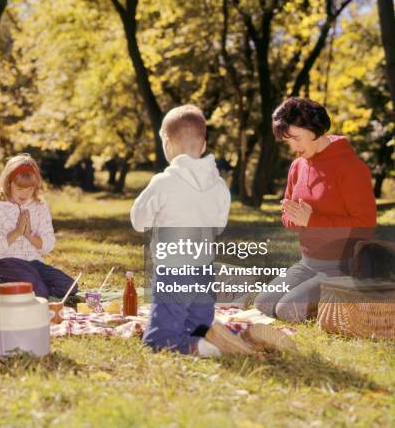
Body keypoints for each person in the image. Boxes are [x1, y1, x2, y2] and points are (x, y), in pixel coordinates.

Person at [131, 105, 294, 356]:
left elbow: (138, 221)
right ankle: (211, 337)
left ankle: (198, 347)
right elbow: (218, 226)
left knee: (158, 338)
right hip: (204, 271)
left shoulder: (163, 182)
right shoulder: (219, 185)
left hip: (173, 271)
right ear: (204, 144)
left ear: (167, 142)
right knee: (197, 324)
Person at [254, 97, 377, 322]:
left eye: (296, 138)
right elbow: (289, 217)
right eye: (287, 141)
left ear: (314, 129)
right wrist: (294, 217)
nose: (293, 147)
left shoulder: (350, 167)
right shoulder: (297, 166)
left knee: (287, 310)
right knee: (262, 305)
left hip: (343, 266)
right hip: (308, 262)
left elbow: (365, 225)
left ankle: (349, 301)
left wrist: (313, 220)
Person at [0, 154, 78, 299]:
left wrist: (29, 236)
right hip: (8, 263)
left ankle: (13, 286)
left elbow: (48, 245)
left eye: (30, 189)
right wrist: (17, 232)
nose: (25, 194)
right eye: (20, 189)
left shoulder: (40, 205)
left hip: (35, 263)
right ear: (8, 183)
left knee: (70, 287)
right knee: (39, 293)